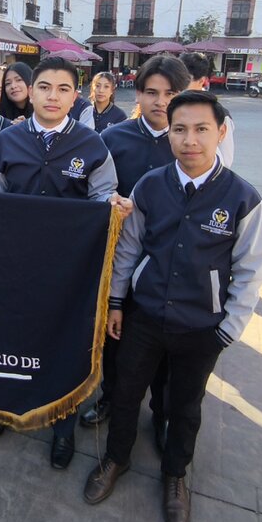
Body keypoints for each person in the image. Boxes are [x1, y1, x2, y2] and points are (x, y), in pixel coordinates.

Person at [82, 90, 262, 522]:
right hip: (144, 317)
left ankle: (174, 476)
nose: (190, 140)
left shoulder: (242, 198)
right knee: (126, 393)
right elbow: (129, 248)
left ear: (220, 132)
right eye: (180, 129)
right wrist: (117, 302)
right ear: (170, 135)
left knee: (185, 406)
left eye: (201, 129)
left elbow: (251, 270)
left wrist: (227, 331)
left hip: (201, 328)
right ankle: (116, 459)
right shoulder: (150, 186)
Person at [0, 55, 123, 467]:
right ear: (31, 91)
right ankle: (2, 410)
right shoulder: (6, 141)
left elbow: (103, 193)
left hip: (69, 267)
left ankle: (61, 423)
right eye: (45, 87)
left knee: (64, 344)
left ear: (74, 96)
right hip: (16, 262)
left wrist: (111, 205)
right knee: (10, 338)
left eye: (64, 89)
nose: (53, 96)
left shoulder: (92, 144)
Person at [80, 55, 191, 440]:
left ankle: (160, 411)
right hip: (118, 256)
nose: (161, 102)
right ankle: (110, 396)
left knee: (167, 341)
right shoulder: (112, 139)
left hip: (169, 260)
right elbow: (93, 194)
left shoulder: (190, 144)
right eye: (151, 92)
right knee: (115, 331)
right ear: (138, 94)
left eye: (171, 93)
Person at [181, 52, 235, 166]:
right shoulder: (172, 108)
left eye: (185, 81)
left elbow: (226, 160)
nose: (179, 86)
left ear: (202, 81)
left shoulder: (219, 114)